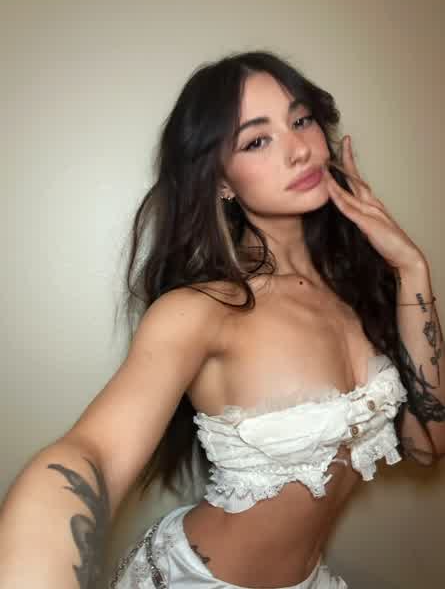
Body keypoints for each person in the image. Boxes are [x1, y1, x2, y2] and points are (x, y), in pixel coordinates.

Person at [0, 50, 444, 589]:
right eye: (257, 141)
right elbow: (90, 453)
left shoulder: (354, 288)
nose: (299, 149)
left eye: (301, 120)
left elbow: (427, 444)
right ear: (221, 181)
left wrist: (412, 270)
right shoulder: (202, 310)